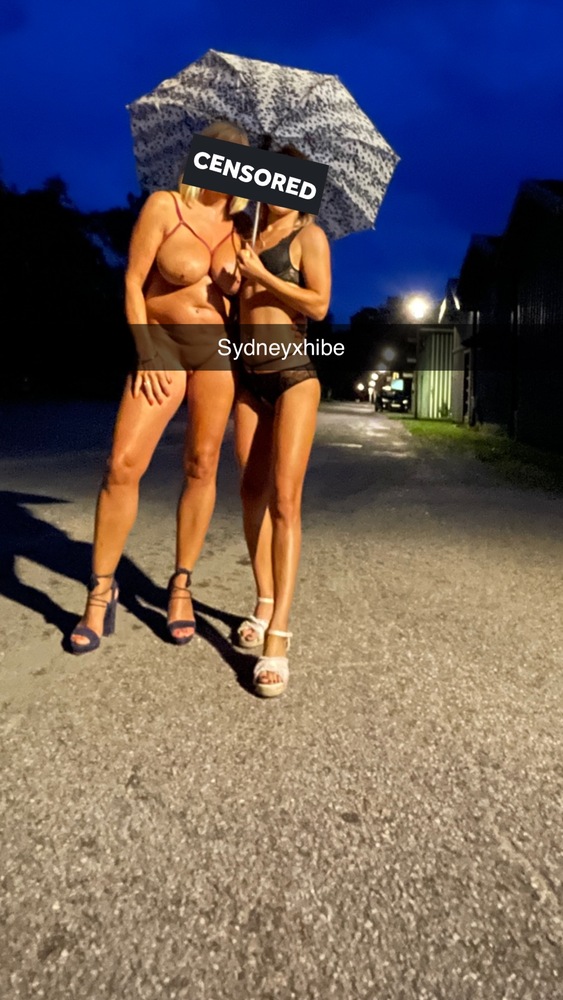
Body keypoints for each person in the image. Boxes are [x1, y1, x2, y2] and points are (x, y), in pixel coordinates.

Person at [70, 120, 249, 654]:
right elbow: (132, 281)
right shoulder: (165, 207)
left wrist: (250, 275)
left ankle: (181, 586)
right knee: (123, 464)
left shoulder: (245, 227)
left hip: (216, 353)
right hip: (163, 346)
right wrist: (146, 349)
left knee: (202, 465)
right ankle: (100, 591)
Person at [233, 146, 331, 696]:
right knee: (251, 493)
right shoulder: (247, 234)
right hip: (250, 378)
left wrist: (261, 276)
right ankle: (265, 599)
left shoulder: (307, 237)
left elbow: (318, 305)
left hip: (294, 377)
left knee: (284, 501)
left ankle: (278, 639)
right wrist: (235, 277)